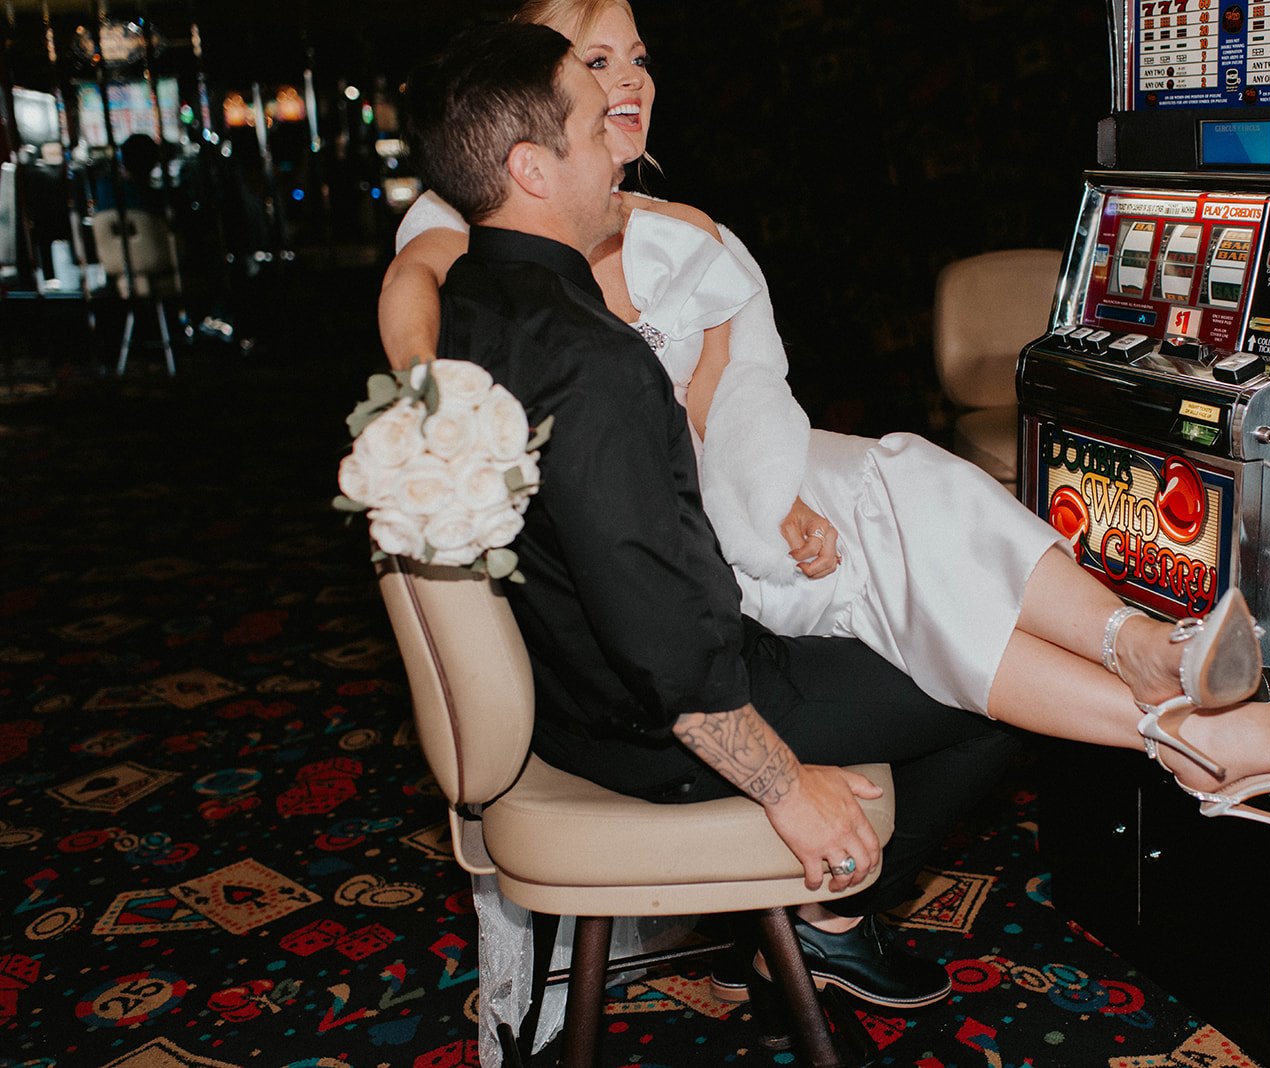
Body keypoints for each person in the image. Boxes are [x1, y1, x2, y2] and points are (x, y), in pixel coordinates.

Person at [382, 0, 1270, 837]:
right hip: (667, 669)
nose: (622, 95)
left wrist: (764, 492)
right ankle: (1185, 733)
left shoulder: (549, 281)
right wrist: (434, 409)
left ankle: (1149, 667)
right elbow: (664, 636)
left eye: (635, 60)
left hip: (676, 565)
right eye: (593, 77)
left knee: (914, 486)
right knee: (930, 610)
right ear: (529, 152)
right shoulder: (548, 323)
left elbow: (714, 403)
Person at [405, 19, 1026, 1015]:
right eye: (592, 125)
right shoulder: (594, 361)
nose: (619, 147)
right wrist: (787, 788)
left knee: (917, 626)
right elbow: (668, 654)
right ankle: (827, 925)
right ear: (530, 168)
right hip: (647, 728)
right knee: (983, 686)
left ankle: (813, 930)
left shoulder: (474, 302)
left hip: (569, 690)